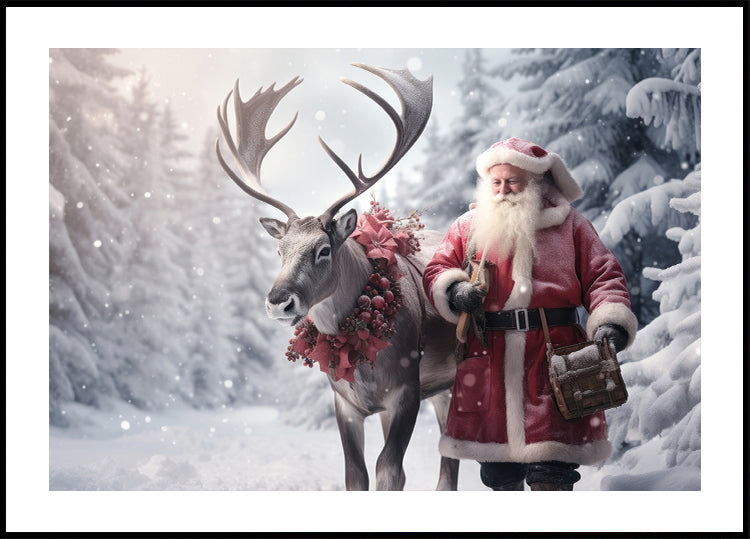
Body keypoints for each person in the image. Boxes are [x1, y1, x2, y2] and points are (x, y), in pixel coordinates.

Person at [423, 138, 638, 491]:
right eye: (496, 182)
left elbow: (604, 275)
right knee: (498, 476)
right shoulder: (467, 226)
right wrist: (454, 289)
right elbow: (437, 269)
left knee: (552, 473)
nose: (503, 190)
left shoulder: (572, 226)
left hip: (556, 358)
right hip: (488, 359)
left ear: (536, 182)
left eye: (513, 182)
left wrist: (610, 320)